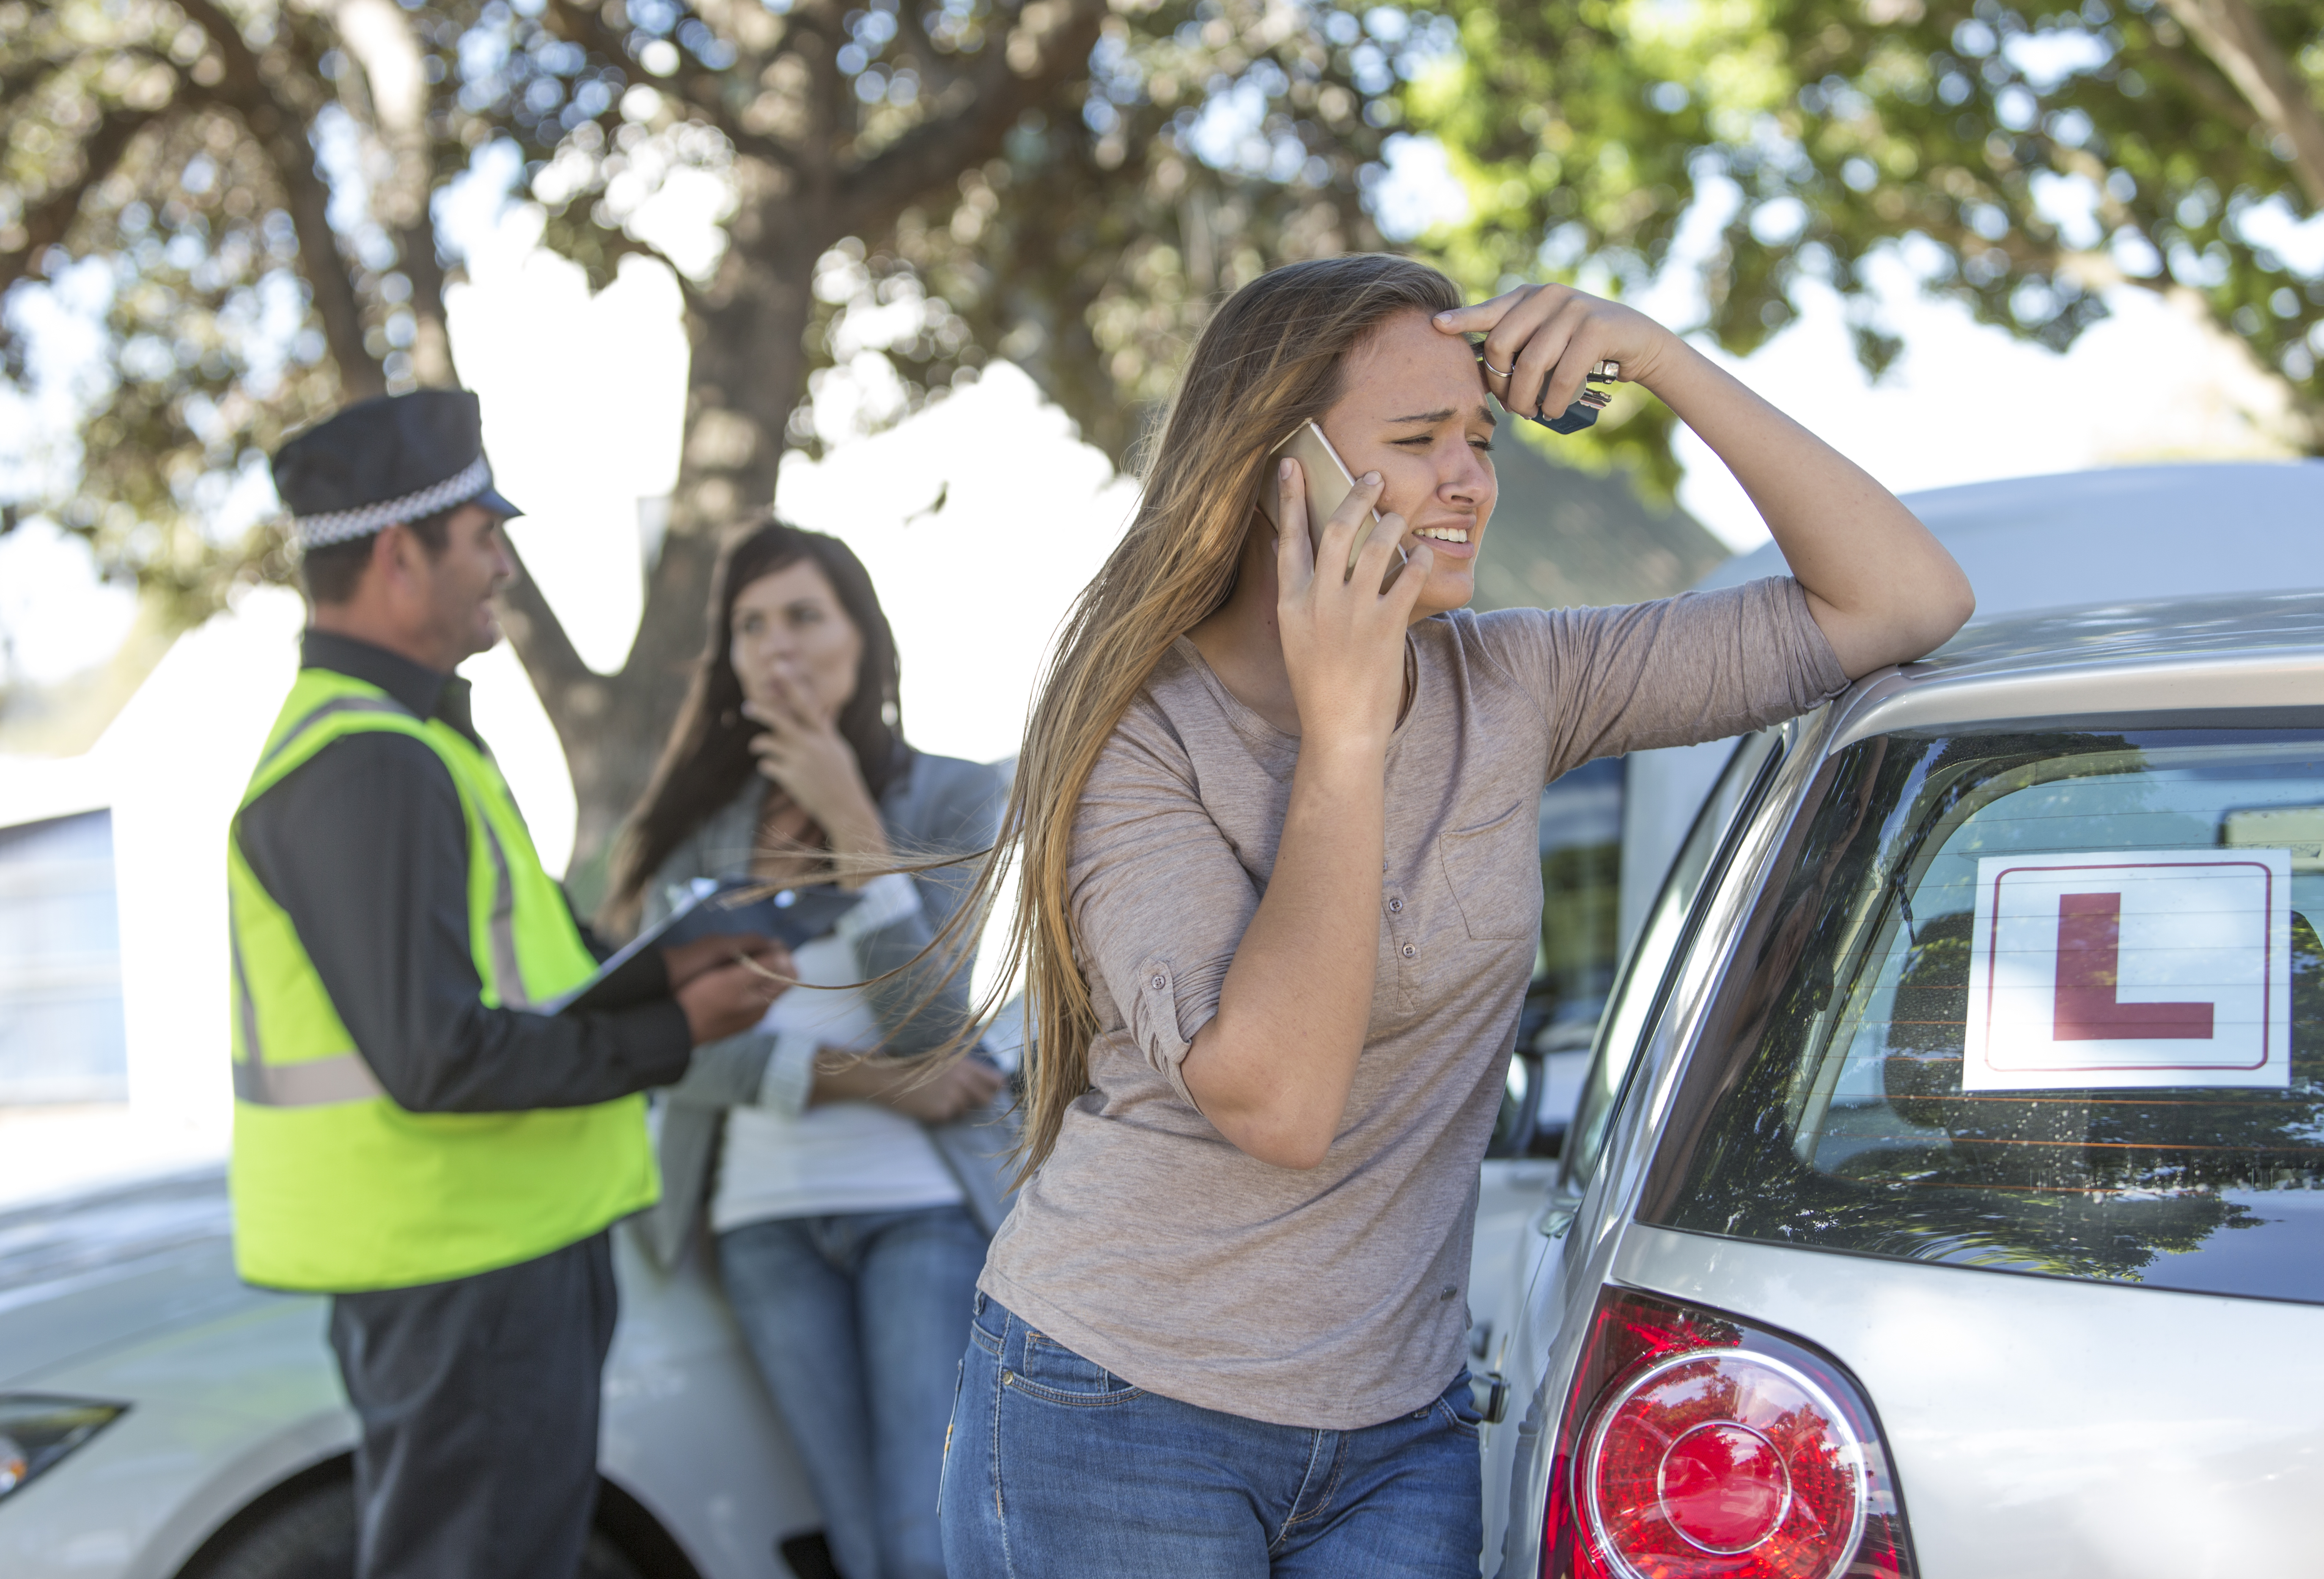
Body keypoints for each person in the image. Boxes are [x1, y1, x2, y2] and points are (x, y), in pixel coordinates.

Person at [936, 256, 1975, 1574]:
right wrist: (1346, 732)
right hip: (1119, 1406)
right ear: (1278, 472)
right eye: (1419, 438)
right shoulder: (1138, 740)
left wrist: (1661, 359)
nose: (1469, 480)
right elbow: (1281, 1103)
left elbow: (1903, 600)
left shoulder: (1515, 680)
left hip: (1399, 1432)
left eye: (1480, 439)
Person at [231, 390, 794, 1579]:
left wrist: (658, 968)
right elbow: (438, 1053)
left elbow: (520, 978)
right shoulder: (370, 762)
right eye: (485, 536)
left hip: (487, 1258)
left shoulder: (414, 743)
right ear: (401, 554)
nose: (503, 565)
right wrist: (675, 1029)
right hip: (465, 1271)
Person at [607, 522, 1011, 1579]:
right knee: (856, 1542)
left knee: (924, 1538)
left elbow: (929, 1026)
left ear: (861, 638)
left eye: (802, 615)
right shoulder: (696, 831)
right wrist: (861, 1081)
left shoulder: (956, 796)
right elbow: (674, 1050)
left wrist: (850, 817)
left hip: (920, 1211)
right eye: (751, 625)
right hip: (759, 1224)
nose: (776, 644)